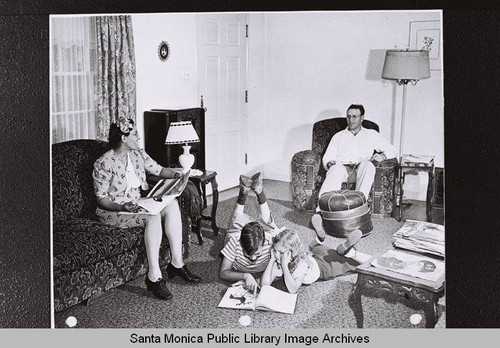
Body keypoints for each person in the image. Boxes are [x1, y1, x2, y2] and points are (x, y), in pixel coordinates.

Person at [92, 117, 200, 301]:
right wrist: (121, 205)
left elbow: (158, 170)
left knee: (171, 204)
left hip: (137, 203)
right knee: (153, 217)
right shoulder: (103, 163)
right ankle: (154, 277)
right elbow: (101, 199)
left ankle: (177, 262)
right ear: (124, 138)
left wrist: (177, 175)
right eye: (135, 134)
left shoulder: (137, 154)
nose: (139, 138)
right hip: (114, 210)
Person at [219, 173, 283, 294]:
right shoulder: (235, 241)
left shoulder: (271, 239)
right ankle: (243, 192)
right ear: (242, 245)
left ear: (265, 243)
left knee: (268, 223)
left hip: (264, 232)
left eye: (257, 253)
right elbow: (223, 272)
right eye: (248, 254)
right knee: (236, 225)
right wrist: (245, 276)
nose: (253, 258)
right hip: (239, 233)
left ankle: (258, 190)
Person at [261, 226, 373, 294]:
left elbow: (293, 289)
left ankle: (350, 253)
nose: (276, 255)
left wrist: (285, 266)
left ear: (291, 252)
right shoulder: (279, 258)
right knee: (311, 249)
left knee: (353, 264)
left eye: (280, 252)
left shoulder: (301, 264)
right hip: (316, 253)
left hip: (324, 267)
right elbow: (265, 285)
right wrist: (271, 260)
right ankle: (318, 241)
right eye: (274, 250)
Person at [318, 104, 396, 201]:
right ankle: (321, 209)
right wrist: (330, 163)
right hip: (342, 170)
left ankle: (358, 204)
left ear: (362, 118)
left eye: (354, 117)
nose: (351, 120)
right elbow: (327, 157)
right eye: (349, 117)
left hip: (361, 170)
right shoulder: (338, 137)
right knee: (336, 169)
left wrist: (383, 156)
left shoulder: (371, 134)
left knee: (368, 166)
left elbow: (392, 149)